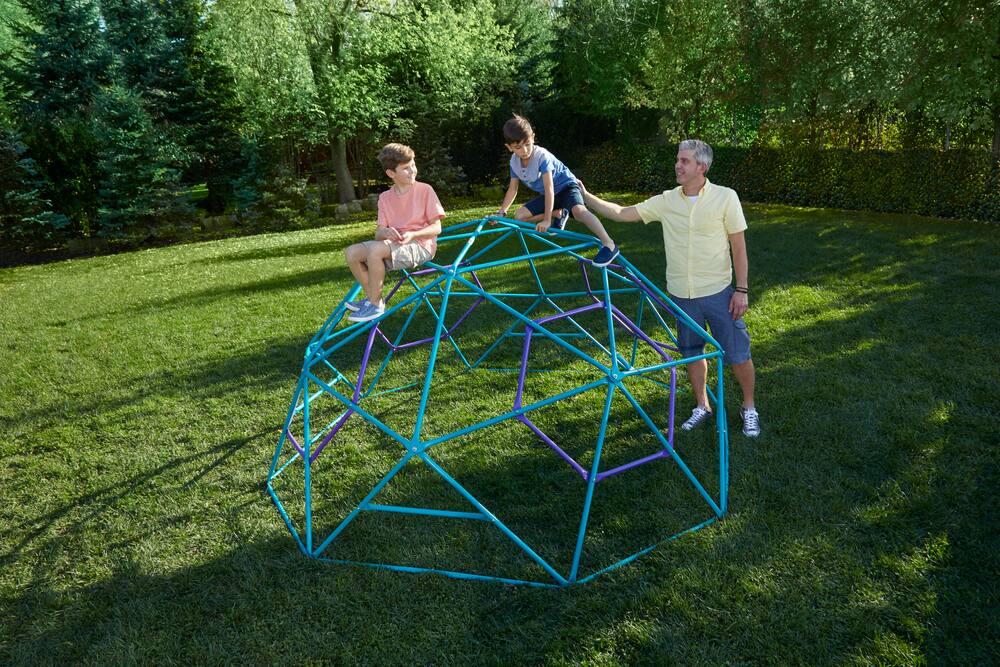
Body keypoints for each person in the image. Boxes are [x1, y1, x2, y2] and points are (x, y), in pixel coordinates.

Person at [577, 139, 760, 437]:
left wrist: (742, 290)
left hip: (719, 292)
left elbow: (738, 248)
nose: (677, 165)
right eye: (678, 159)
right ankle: (702, 405)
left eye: (685, 161)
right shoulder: (667, 201)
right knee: (691, 351)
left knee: (738, 353)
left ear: (702, 167)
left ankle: (749, 407)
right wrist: (587, 197)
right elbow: (623, 213)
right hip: (681, 295)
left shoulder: (726, 198)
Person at [495, 114, 620, 267]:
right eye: (518, 147)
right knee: (519, 216)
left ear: (533, 137)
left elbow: (549, 189)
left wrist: (547, 220)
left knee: (580, 212)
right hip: (551, 196)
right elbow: (513, 189)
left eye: (528, 143)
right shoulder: (514, 162)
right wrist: (501, 212)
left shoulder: (542, 157)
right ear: (509, 147)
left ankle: (610, 244)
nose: (525, 150)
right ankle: (559, 213)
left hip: (566, 187)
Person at [343, 143, 444, 323]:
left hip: (421, 246)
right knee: (351, 253)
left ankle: (375, 305)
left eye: (413, 165)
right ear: (391, 174)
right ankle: (373, 298)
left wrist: (413, 235)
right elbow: (378, 235)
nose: (412, 171)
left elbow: (437, 228)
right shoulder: (385, 198)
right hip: (393, 245)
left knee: (375, 251)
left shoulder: (425, 190)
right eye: (406, 168)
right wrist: (387, 232)